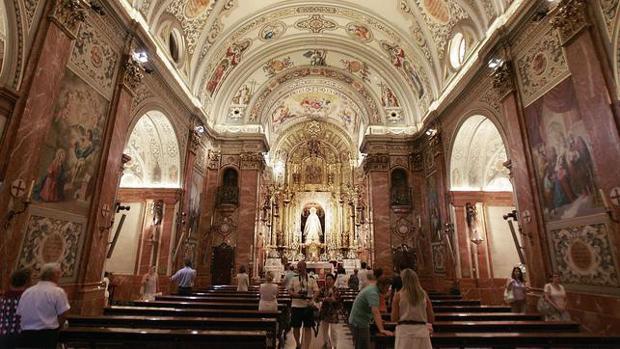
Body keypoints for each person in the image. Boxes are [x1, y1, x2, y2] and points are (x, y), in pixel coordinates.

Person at [16, 263, 70, 349]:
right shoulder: (57, 292)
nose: (60, 276)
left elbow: (19, 314)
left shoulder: (27, 292)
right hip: (47, 335)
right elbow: (63, 314)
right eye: (59, 274)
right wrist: (57, 327)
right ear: (54, 275)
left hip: (26, 335)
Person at [391, 269, 434, 349]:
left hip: (404, 332)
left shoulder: (398, 296)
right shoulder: (424, 294)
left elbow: (394, 318)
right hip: (421, 332)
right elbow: (431, 318)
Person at [348, 274, 393, 349]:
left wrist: (377, 320)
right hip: (359, 322)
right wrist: (382, 329)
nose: (387, 290)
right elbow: (375, 311)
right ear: (381, 286)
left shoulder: (373, 289)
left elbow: (371, 310)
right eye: (387, 287)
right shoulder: (373, 293)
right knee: (363, 346)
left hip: (360, 320)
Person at [289, 260, 319, 349]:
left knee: (308, 327)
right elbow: (290, 290)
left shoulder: (311, 278)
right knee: (296, 327)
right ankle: (298, 343)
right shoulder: (294, 278)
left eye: (300, 267)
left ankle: (307, 346)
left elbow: (317, 291)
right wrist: (296, 295)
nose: (298, 269)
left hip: (307, 306)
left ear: (305, 267)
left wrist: (312, 300)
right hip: (296, 305)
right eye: (298, 267)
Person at [0, 268, 31, 349]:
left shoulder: (2, 298)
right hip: (22, 335)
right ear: (27, 283)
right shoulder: (27, 298)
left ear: (10, 283)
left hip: (3, 335)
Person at [316, 273, 341, 348]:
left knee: (334, 330)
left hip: (333, 312)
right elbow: (317, 298)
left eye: (330, 279)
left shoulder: (336, 289)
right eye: (327, 279)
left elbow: (337, 300)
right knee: (324, 329)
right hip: (325, 311)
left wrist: (332, 300)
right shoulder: (323, 289)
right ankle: (325, 343)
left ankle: (335, 345)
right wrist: (324, 299)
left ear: (333, 280)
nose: (328, 281)